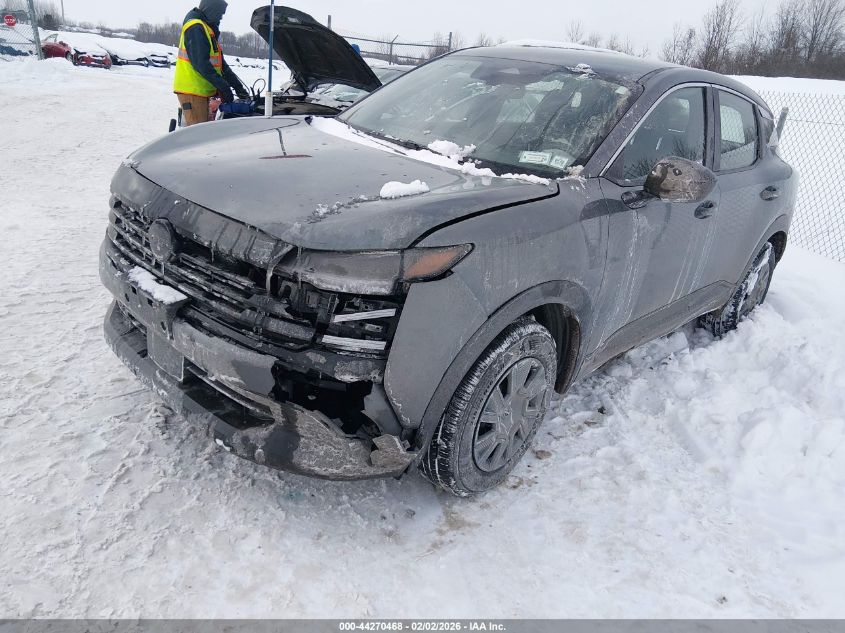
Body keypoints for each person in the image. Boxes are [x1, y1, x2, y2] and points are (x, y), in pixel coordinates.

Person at [173, 0, 248, 126]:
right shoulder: (195, 27)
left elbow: (221, 65)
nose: (221, 17)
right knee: (198, 137)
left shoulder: (208, 29)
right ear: (211, 9)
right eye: (220, 13)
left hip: (201, 92)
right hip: (192, 92)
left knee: (206, 134)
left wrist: (238, 87)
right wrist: (223, 87)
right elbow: (201, 64)